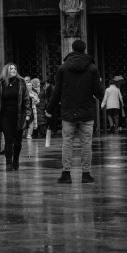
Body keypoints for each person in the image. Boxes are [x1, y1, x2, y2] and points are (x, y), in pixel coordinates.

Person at [46, 39, 104, 184]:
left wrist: (49, 109)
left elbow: (57, 91)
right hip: (86, 112)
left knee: (67, 143)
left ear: (72, 49)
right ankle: (86, 174)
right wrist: (99, 95)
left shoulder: (63, 68)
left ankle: (66, 174)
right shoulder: (92, 68)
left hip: (68, 111)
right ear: (85, 49)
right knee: (86, 143)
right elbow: (98, 91)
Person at [0, 63, 31, 171]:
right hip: (5, 115)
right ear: (6, 71)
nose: (14, 70)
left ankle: (16, 160)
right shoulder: (0, 83)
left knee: (18, 141)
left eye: (15, 68)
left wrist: (28, 114)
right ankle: (8, 163)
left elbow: (26, 99)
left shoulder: (21, 82)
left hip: (19, 115)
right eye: (11, 68)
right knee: (8, 140)